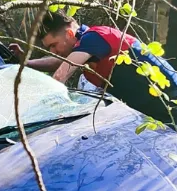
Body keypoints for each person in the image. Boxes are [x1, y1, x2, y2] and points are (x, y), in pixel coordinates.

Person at [10, 10, 177, 123]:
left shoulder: (94, 38)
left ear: (69, 34)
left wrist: (33, 113)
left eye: (54, 45)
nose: (53, 51)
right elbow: (58, 62)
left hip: (171, 101)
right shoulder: (85, 48)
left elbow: (60, 75)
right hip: (155, 110)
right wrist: (24, 63)